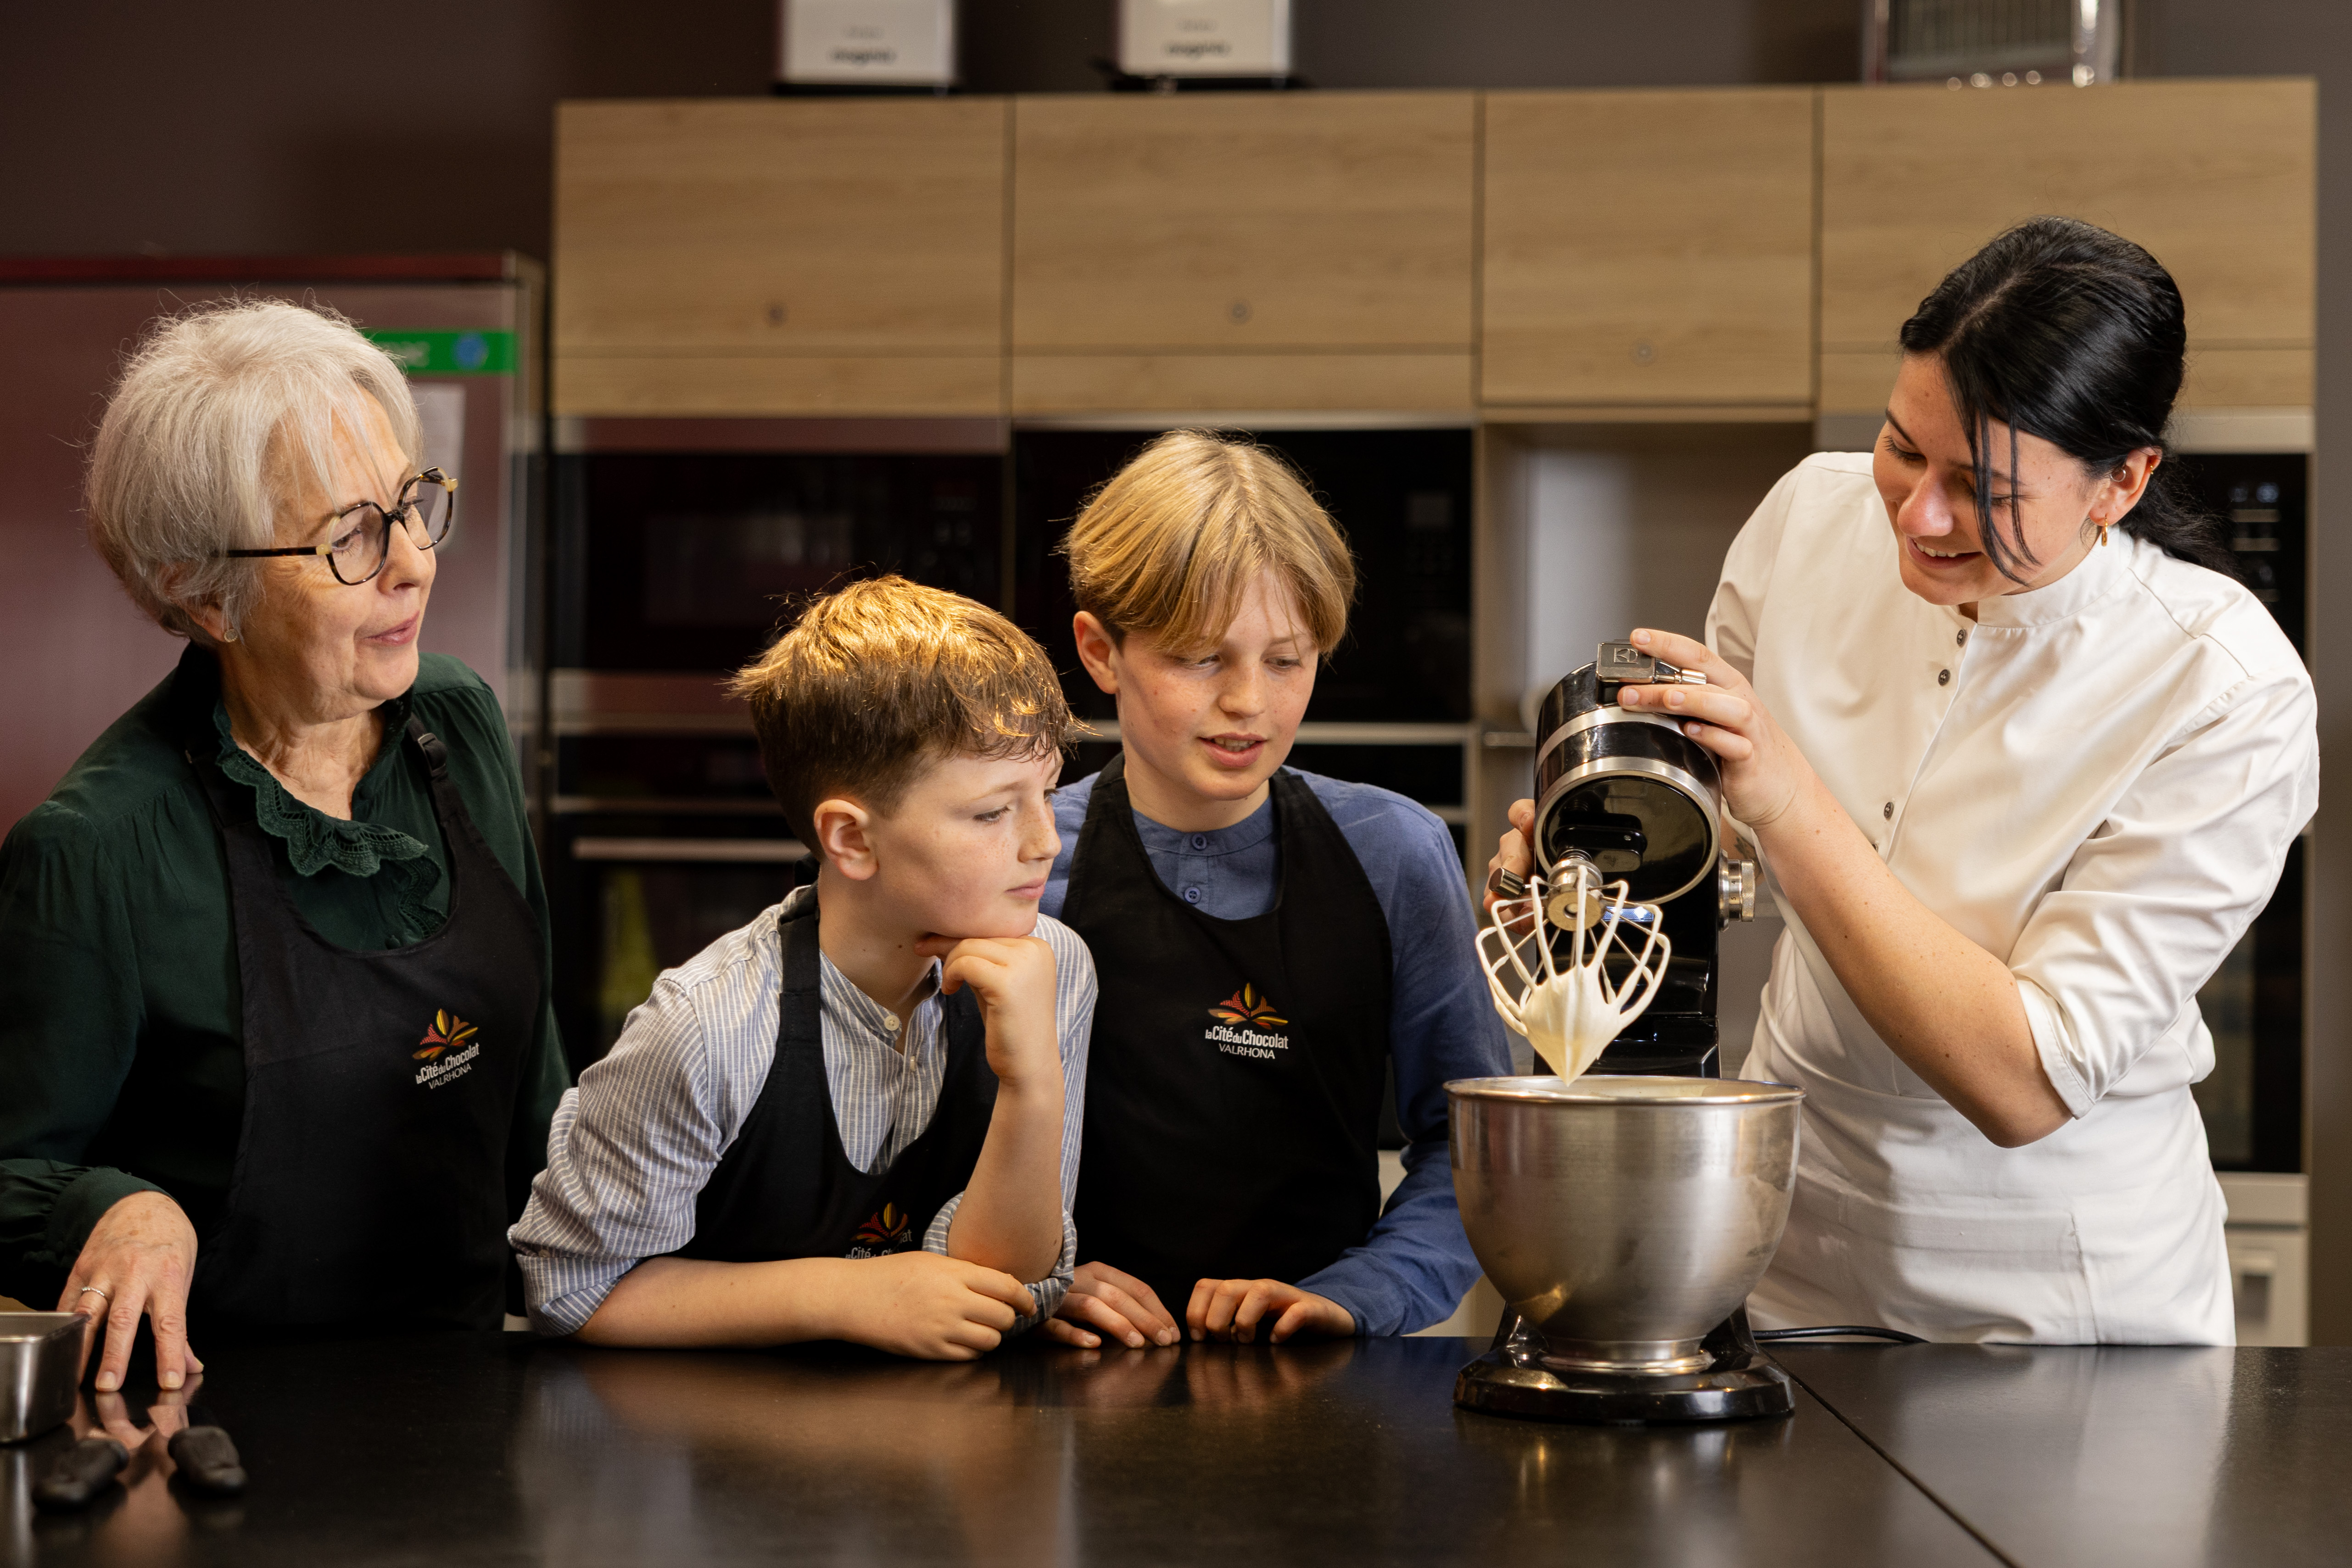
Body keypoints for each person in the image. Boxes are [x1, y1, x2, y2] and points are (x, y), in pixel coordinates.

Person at [1490, 218, 2318, 1343]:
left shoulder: (2224, 689)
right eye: (1901, 447)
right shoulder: (1810, 518)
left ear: (2120, 482)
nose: (1919, 514)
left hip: (2056, 1298)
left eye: (1982, 488)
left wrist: (1786, 795)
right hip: (1782, 1245)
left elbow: (2024, 1079)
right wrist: (1605, 856)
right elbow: (1729, 836)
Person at [0, 300, 569, 1390]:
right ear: (203, 592)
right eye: (349, 534)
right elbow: (9, 1165)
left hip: (491, 1394)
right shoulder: (98, 850)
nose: (411, 563)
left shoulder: (460, 723)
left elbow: (539, 1093)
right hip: (226, 1435)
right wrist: (111, 1203)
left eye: (410, 505)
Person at [509, 578, 1094, 1360]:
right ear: (852, 840)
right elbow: (573, 1288)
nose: (1044, 841)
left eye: (1046, 793)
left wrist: (1032, 1082)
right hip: (714, 1458)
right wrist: (840, 1294)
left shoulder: (1054, 967)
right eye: (992, 812)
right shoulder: (705, 1026)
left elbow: (1001, 1289)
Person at [1036, 430, 1512, 1350]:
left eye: (1287, 659)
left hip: (1320, 1382)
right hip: (1066, 1378)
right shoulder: (1019, 862)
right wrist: (1030, 1275)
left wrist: (1360, 1290)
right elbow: (922, 1146)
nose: (1248, 700)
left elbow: (1475, 1149)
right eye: (1201, 658)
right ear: (1100, 651)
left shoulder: (1395, 853)